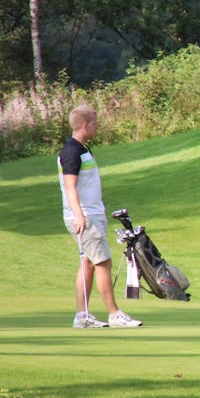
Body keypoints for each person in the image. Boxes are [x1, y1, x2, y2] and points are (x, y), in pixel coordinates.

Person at [58, 105, 142, 328]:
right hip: (85, 217)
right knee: (103, 261)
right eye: (94, 123)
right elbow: (69, 187)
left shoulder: (82, 149)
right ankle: (114, 314)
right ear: (85, 125)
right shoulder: (72, 152)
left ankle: (82, 316)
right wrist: (80, 216)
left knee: (88, 262)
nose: (97, 127)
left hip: (90, 214)